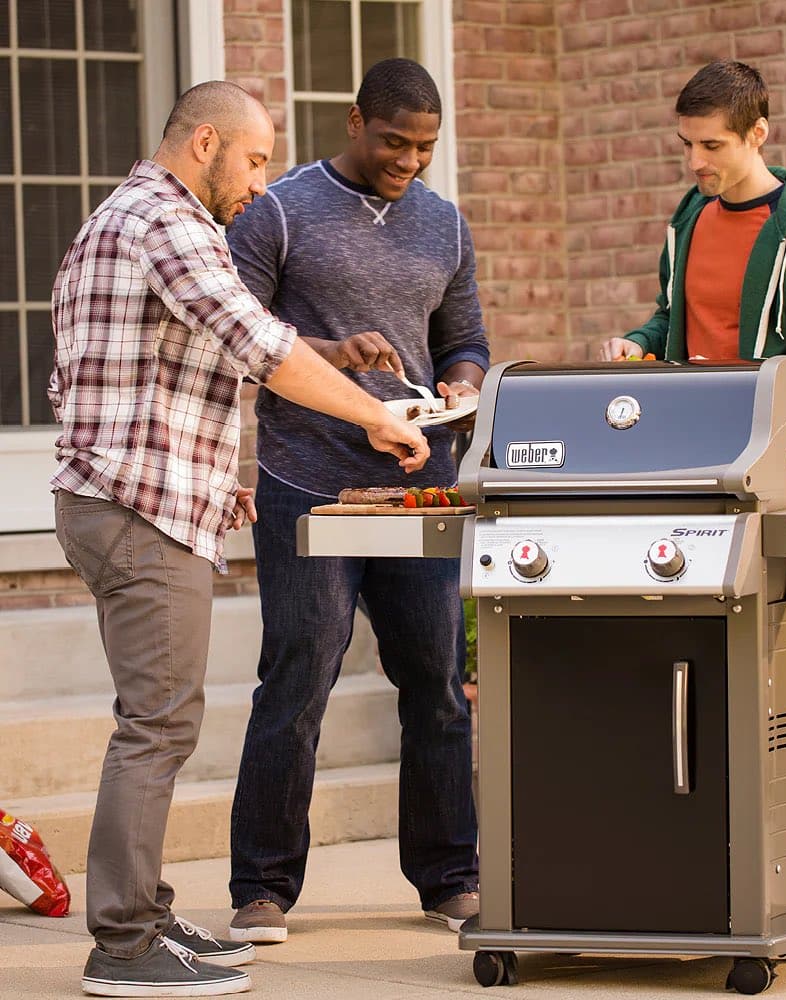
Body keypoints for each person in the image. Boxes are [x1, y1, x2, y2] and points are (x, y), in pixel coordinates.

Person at [49, 80, 429, 998]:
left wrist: (216, 479)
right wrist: (374, 419)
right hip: (141, 516)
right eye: (255, 160)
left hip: (118, 501)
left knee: (158, 719)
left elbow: (137, 370)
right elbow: (258, 344)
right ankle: (124, 941)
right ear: (206, 141)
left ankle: (145, 909)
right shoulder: (171, 224)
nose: (262, 182)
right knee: (158, 725)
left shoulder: (115, 216)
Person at [224, 58, 486, 945]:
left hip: (419, 484)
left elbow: (467, 338)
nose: (408, 160)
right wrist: (333, 352)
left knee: (439, 688)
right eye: (393, 141)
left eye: (424, 147)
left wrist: (459, 382)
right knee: (296, 684)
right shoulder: (279, 210)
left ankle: (450, 876)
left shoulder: (446, 224)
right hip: (308, 485)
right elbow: (235, 340)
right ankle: (262, 887)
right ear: (354, 121)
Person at [599, 59, 786, 762]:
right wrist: (637, 344)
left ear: (758, 135)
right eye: (686, 144)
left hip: (778, 480)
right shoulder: (689, 217)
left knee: (776, 668)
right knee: (697, 656)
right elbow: (672, 321)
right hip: (690, 471)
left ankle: (784, 838)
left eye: (712, 145)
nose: (695, 161)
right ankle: (707, 827)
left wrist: (737, 394)